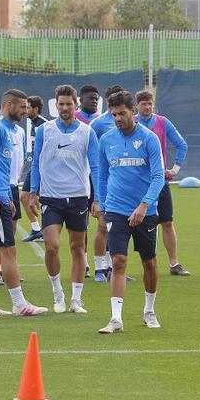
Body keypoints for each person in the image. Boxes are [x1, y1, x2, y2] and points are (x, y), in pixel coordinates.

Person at [94, 90, 165, 333]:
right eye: (113, 114)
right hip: (115, 209)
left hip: (146, 211)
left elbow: (158, 177)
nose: (118, 118)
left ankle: (149, 310)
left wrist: (144, 204)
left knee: (149, 263)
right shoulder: (106, 140)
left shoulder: (149, 139)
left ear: (132, 111)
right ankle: (116, 319)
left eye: (122, 113)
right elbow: (102, 176)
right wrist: (101, 206)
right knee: (118, 260)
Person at [0, 89, 47, 316]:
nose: (26, 112)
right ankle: (19, 303)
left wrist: (8, 194)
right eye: (23, 107)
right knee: (9, 250)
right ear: (8, 104)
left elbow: (3, 168)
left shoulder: (11, 129)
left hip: (2, 194)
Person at [29, 84, 99, 314]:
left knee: (77, 247)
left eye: (69, 104)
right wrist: (33, 192)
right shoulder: (44, 131)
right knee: (52, 246)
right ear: (55, 105)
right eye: (61, 104)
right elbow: (37, 162)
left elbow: (96, 168)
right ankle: (57, 293)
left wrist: (97, 197)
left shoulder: (87, 132)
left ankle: (76, 299)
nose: (65, 108)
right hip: (51, 197)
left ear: (76, 105)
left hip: (78, 197)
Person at [135, 89, 191, 276]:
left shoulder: (162, 122)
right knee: (129, 222)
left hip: (160, 182)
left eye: (150, 103)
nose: (148, 107)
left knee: (167, 222)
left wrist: (175, 168)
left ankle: (174, 264)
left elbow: (182, 144)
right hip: (138, 184)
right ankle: (119, 265)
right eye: (144, 103)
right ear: (136, 106)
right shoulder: (131, 123)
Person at [89, 84, 126, 282]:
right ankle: (99, 268)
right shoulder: (98, 124)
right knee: (102, 226)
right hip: (104, 182)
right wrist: (96, 194)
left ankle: (114, 268)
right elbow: (93, 158)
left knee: (118, 228)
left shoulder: (131, 123)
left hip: (122, 185)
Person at [20, 95, 48, 243]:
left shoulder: (44, 125)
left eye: (28, 107)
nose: (25, 110)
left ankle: (43, 230)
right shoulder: (32, 124)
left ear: (36, 109)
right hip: (35, 167)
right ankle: (37, 230)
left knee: (41, 198)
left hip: (44, 168)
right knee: (25, 197)